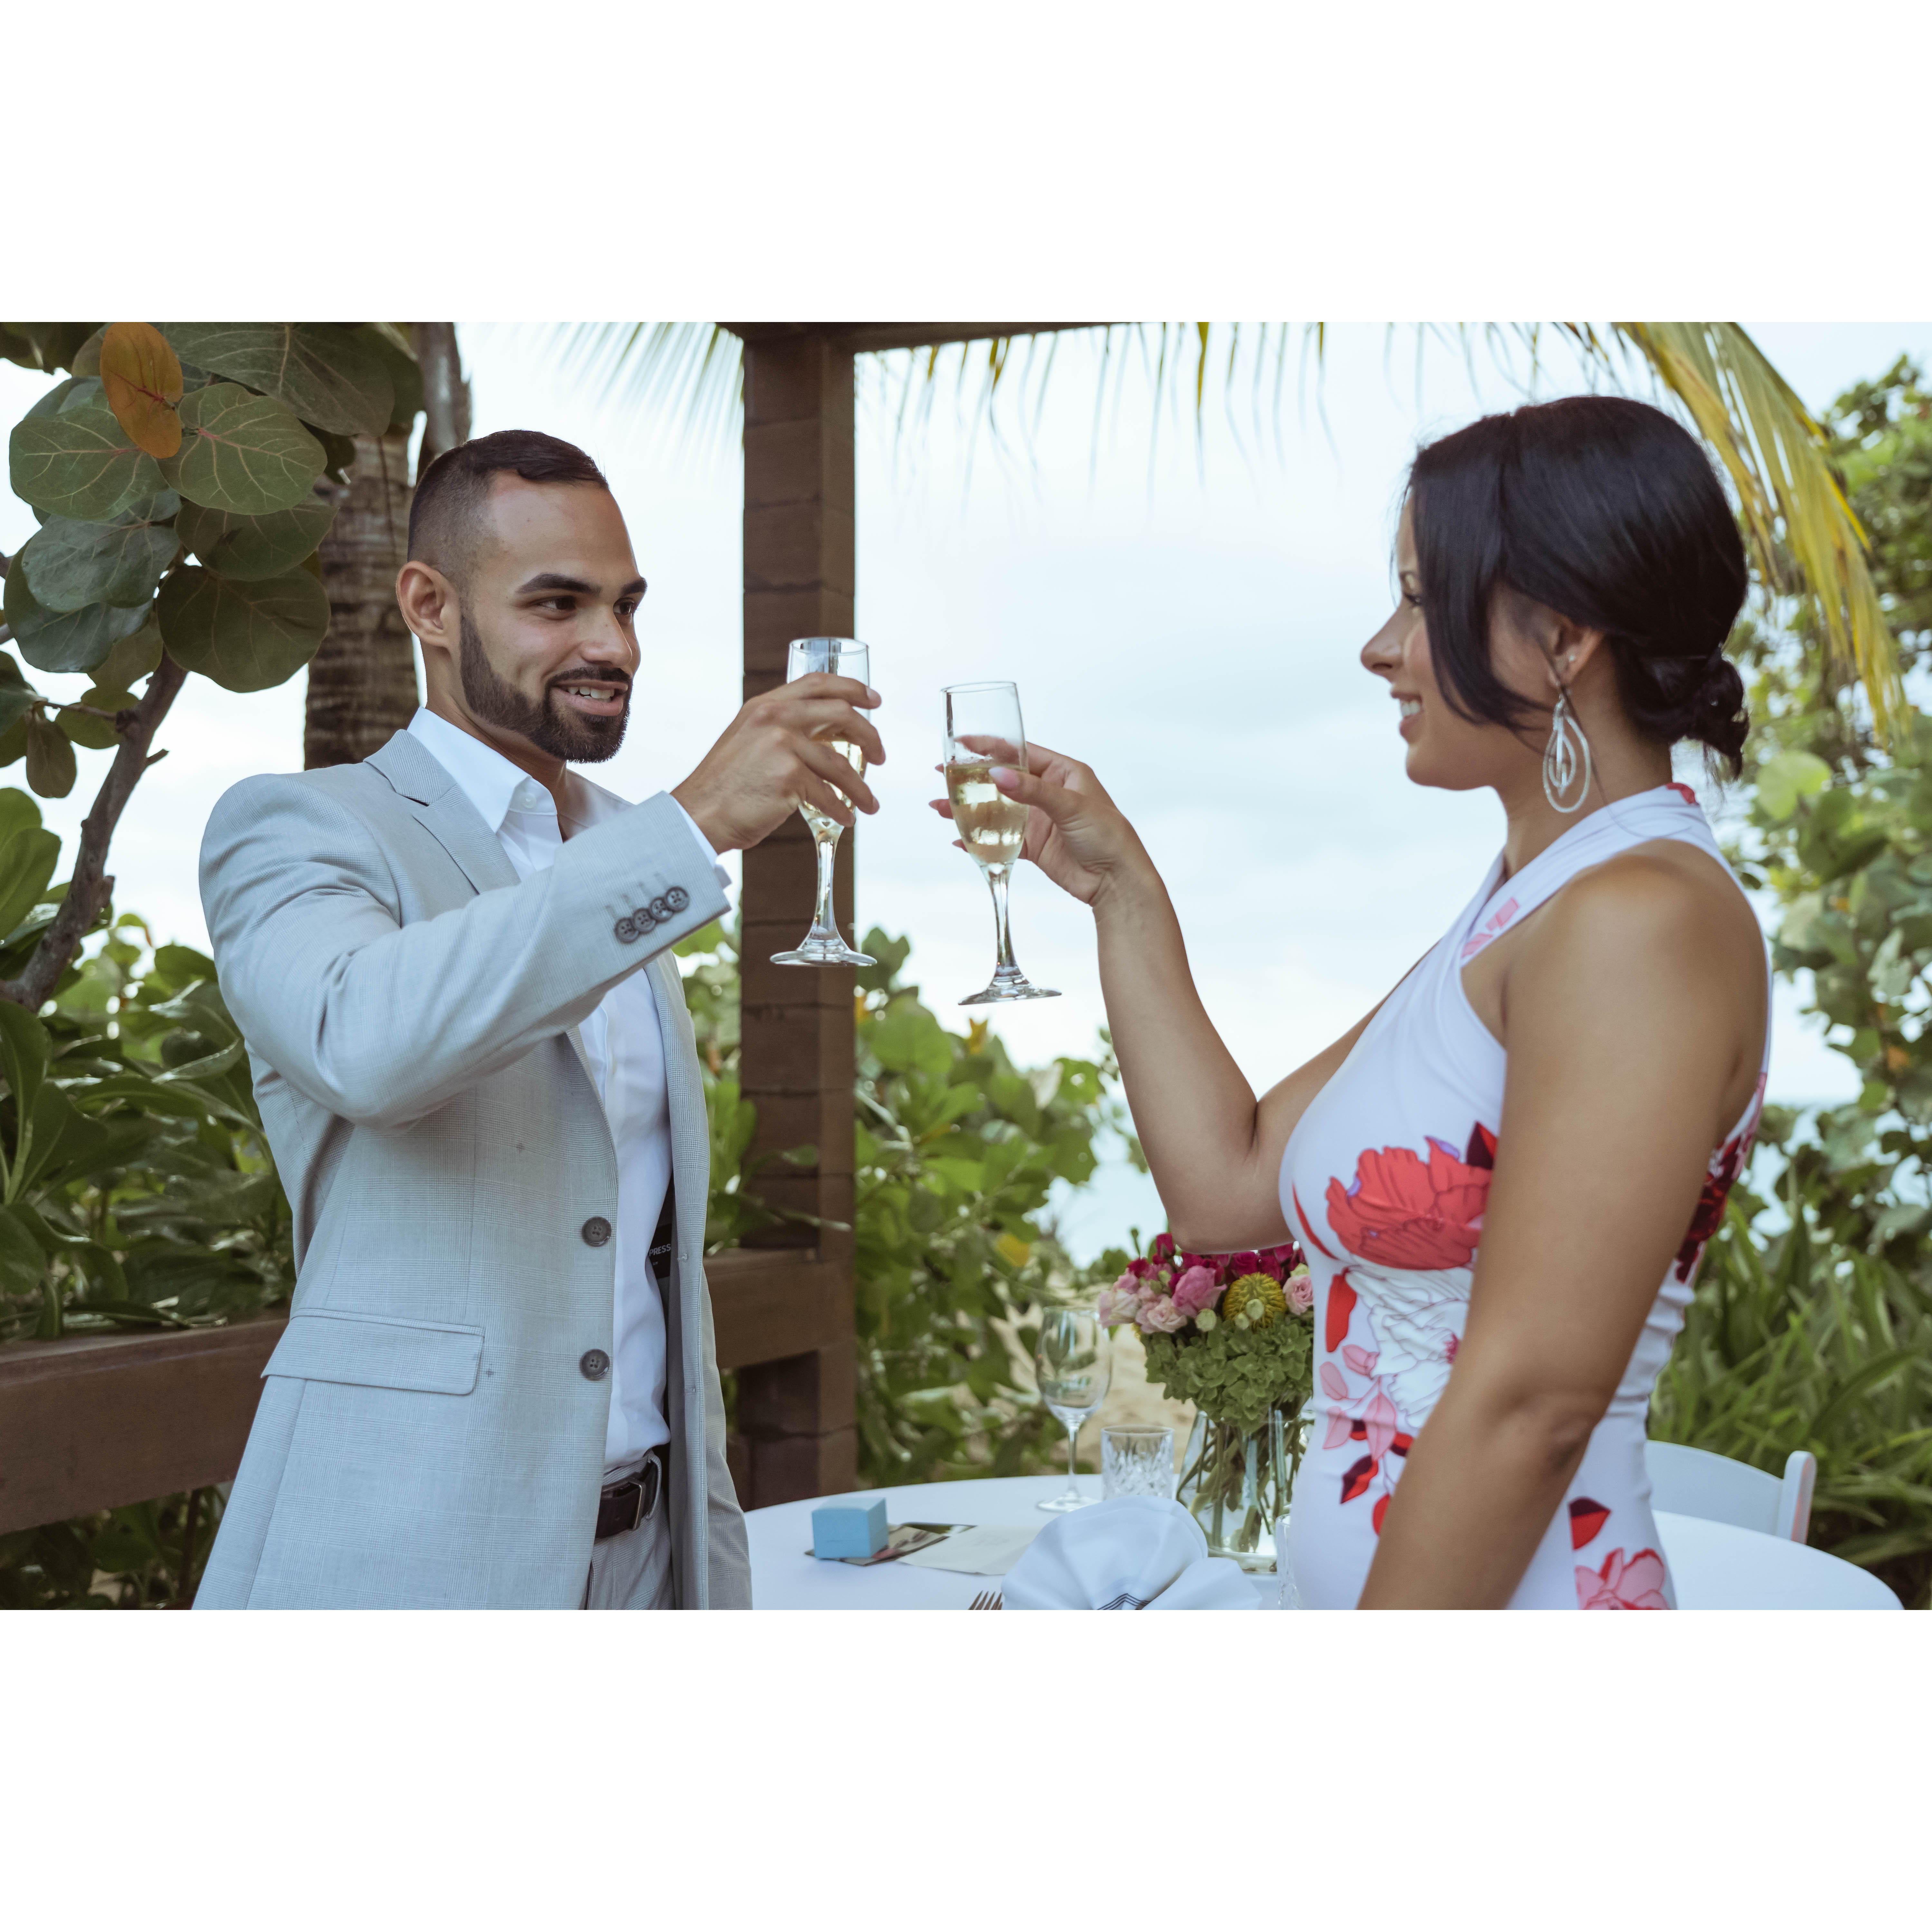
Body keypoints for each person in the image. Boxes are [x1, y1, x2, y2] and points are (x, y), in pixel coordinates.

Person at [942, 396, 1770, 1609]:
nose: (1382, 648)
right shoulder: (1525, 911)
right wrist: (1121, 889)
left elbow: (1534, 1402)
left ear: (1563, 637)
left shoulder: (1637, 922)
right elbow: (1227, 1191)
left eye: (1423, 600)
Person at [194, 429, 884, 1609]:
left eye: (626, 606)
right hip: (410, 1558)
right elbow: (365, 1045)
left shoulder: (619, 846)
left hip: (652, 1553)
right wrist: (688, 826)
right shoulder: (300, 827)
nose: (612, 646)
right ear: (430, 606)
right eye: (558, 604)